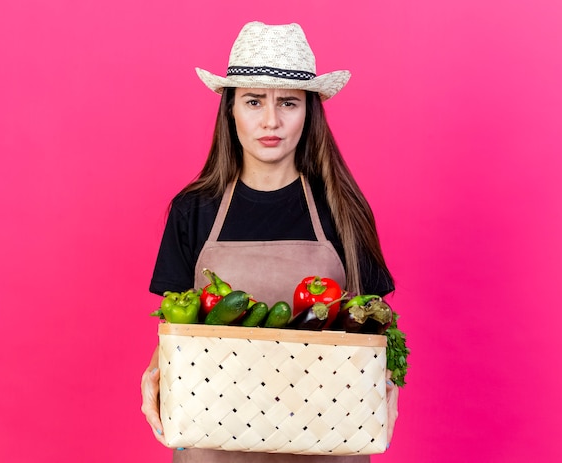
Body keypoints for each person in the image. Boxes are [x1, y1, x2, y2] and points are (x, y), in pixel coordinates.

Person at [141, 21, 400, 463]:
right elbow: (173, 328)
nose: (270, 121)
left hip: (327, 431)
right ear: (231, 110)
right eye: (254, 101)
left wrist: (388, 383)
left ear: (309, 111)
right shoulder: (194, 209)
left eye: (288, 103)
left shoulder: (343, 209)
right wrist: (153, 372)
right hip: (214, 436)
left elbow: (376, 325)